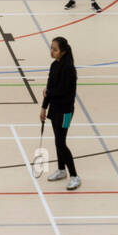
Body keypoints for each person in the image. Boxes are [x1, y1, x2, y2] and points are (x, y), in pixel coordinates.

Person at [40, 36, 81, 190]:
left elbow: (63, 91)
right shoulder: (54, 65)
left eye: (55, 49)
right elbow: (49, 87)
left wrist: (48, 92)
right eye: (51, 48)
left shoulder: (69, 68)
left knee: (61, 143)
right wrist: (44, 107)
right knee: (58, 140)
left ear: (63, 52)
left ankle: (75, 176)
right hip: (54, 109)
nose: (52, 51)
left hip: (65, 111)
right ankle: (61, 170)